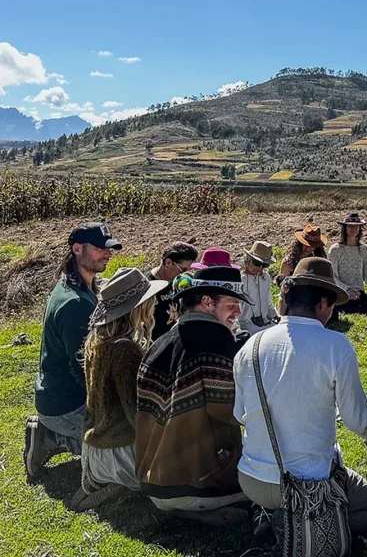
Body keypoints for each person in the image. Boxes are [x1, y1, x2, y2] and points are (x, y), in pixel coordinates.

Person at [234, 258, 367, 546]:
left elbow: (240, 415)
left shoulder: (250, 346)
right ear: (324, 304)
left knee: (279, 492)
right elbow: (357, 422)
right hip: (309, 483)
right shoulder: (335, 345)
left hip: (252, 478)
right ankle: (299, 523)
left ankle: (271, 516)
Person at [136, 265, 254, 525]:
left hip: (154, 484)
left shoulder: (161, 342)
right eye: (232, 304)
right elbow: (227, 410)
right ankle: (206, 507)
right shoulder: (216, 338)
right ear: (207, 302)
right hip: (195, 484)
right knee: (273, 480)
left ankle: (188, 512)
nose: (238, 312)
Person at [25, 222, 122, 483]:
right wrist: (108, 408)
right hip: (66, 403)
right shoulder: (74, 303)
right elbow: (81, 366)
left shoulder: (83, 288)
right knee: (120, 453)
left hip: (60, 393)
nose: (107, 253)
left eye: (109, 248)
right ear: (77, 249)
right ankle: (51, 436)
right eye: (100, 248)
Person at [71, 268, 167, 511]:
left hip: (96, 447)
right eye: (150, 299)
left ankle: (109, 481)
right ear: (138, 307)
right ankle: (123, 482)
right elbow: (138, 414)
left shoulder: (97, 341)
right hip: (119, 451)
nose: (156, 303)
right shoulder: (125, 352)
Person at [328, 212, 367, 314]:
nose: (353, 229)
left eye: (356, 227)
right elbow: (332, 277)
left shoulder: (363, 249)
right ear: (345, 228)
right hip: (342, 292)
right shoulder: (335, 249)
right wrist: (347, 289)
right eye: (350, 226)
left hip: (359, 293)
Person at [147, 242, 198, 341]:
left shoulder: (176, 281)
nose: (183, 274)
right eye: (182, 269)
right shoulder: (147, 285)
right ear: (168, 262)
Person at [237, 241, 278, 335]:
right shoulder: (239, 280)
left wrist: (277, 317)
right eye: (257, 263)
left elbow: (268, 305)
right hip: (245, 324)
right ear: (247, 259)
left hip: (264, 323)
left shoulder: (265, 277)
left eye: (265, 265)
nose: (260, 268)